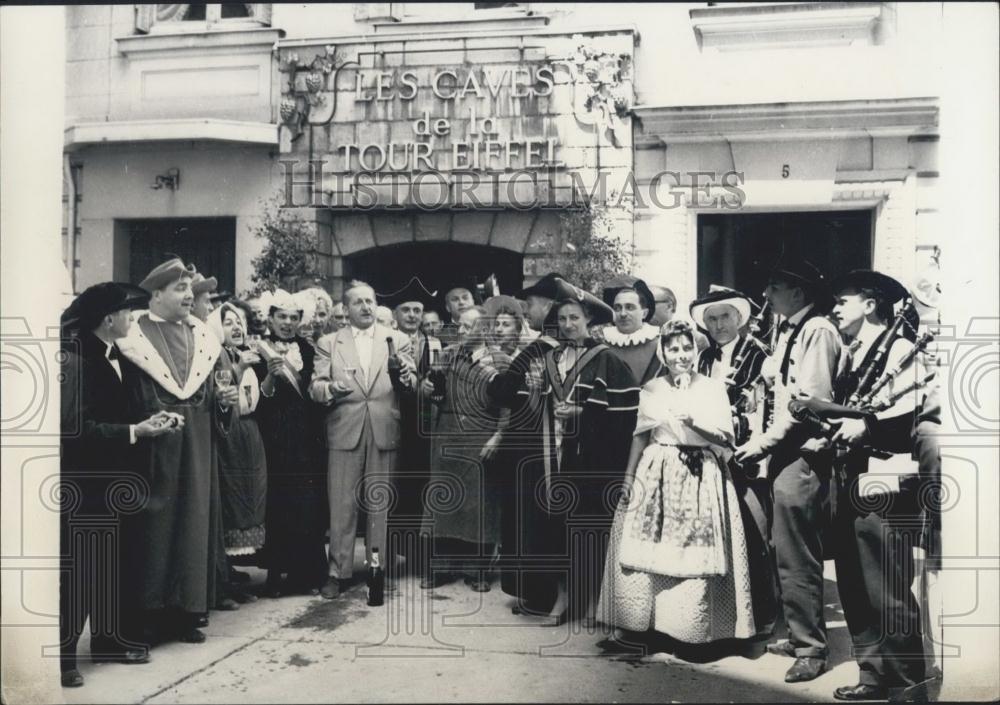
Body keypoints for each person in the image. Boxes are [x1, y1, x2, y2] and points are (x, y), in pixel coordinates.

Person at [598, 320, 755, 646]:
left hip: (700, 473)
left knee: (692, 552)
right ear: (663, 352)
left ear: (695, 351)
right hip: (656, 471)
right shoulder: (653, 389)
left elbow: (726, 440)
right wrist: (628, 477)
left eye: (686, 348)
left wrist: (693, 421)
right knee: (647, 548)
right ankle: (640, 624)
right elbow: (641, 436)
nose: (680, 355)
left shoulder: (712, 388)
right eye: (673, 348)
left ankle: (690, 631)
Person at [117, 258, 238, 645]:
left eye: (190, 289)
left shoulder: (203, 337)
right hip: (156, 449)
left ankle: (185, 613)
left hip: (197, 447)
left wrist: (224, 401)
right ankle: (148, 616)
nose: (190, 296)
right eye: (180, 289)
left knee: (192, 527)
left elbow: (213, 397)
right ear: (156, 295)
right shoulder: (132, 338)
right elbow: (129, 396)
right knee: (155, 529)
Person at [734, 256, 843, 683]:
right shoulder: (790, 329)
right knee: (786, 548)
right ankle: (801, 638)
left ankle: (813, 650)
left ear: (798, 292)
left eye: (775, 287)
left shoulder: (816, 330)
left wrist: (759, 446)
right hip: (785, 452)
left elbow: (805, 403)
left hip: (801, 453)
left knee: (798, 552)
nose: (766, 294)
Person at [823, 270, 927, 701]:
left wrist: (865, 427)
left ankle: (907, 685)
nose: (835, 308)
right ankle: (873, 676)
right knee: (854, 584)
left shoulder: (901, 349)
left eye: (843, 301)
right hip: (851, 481)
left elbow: (912, 413)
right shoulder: (852, 353)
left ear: (870, 305)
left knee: (888, 590)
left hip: (884, 487)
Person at [58, 283, 167, 688]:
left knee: (115, 562)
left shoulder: (113, 353)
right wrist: (134, 431)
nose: (133, 320)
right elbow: (77, 430)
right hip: (87, 482)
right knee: (82, 569)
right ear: (108, 319)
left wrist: (149, 423)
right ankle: (64, 656)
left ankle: (108, 642)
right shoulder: (77, 357)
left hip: (116, 479)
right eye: (128, 314)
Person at [530, 286, 639, 625]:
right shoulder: (550, 360)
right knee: (555, 529)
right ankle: (562, 598)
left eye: (574, 317)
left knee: (588, 529)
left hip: (591, 460)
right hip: (554, 459)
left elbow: (626, 414)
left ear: (589, 319)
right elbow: (534, 410)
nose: (567, 324)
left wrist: (582, 413)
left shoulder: (606, 359)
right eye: (562, 319)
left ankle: (592, 600)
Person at [309, 281, 417, 600]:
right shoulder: (329, 342)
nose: (366, 307)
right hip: (345, 427)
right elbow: (315, 385)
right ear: (345, 309)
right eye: (358, 303)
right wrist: (330, 391)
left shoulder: (397, 339)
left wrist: (406, 377)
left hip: (384, 426)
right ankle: (337, 571)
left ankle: (375, 569)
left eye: (370, 301)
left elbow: (410, 383)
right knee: (342, 503)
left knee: (379, 504)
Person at [690, 286, 778, 640]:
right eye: (711, 319)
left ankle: (766, 614)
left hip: (748, 455)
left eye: (724, 316)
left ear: (739, 319)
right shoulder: (705, 359)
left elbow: (765, 406)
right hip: (712, 454)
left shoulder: (761, 356)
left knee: (756, 532)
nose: (718, 324)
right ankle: (730, 614)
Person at [479, 274, 564, 615]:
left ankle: (540, 594)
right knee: (527, 520)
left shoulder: (544, 346)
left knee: (536, 521)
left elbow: (503, 391)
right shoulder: (539, 345)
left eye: (532, 305)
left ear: (549, 306)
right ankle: (533, 592)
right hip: (527, 442)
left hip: (541, 444)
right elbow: (504, 393)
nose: (528, 311)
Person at [420, 305, 509, 591]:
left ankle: (479, 571)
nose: (462, 331)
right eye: (459, 326)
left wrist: (498, 436)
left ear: (484, 329)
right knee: (444, 503)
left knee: (480, 505)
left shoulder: (500, 360)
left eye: (469, 327)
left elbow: (508, 405)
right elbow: (435, 394)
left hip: (481, 437)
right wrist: (426, 387)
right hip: (447, 436)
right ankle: (441, 569)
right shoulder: (447, 355)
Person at [254, 288, 328, 598]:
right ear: (269, 318)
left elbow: (315, 391)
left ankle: (308, 574)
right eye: (281, 316)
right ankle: (275, 574)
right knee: (277, 503)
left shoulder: (308, 350)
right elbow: (259, 397)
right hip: (273, 436)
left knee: (306, 505)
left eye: (293, 317)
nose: (287, 322)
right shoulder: (256, 350)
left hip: (305, 436)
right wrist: (270, 376)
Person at [207, 302, 268, 605]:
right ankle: (223, 581)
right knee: (230, 501)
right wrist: (240, 368)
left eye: (240, 322)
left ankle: (231, 575)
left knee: (247, 498)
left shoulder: (237, 354)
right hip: (230, 432)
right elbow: (223, 393)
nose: (236, 327)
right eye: (229, 322)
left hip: (248, 432)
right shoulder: (220, 355)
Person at [378, 277, 442, 555]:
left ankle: (423, 552)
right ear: (394, 315)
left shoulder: (435, 344)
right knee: (395, 485)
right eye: (406, 310)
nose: (413, 315)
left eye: (417, 310)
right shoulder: (383, 342)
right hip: (394, 419)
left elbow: (442, 383)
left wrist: (434, 389)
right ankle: (395, 551)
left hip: (426, 424)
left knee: (423, 483)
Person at [601, 276, 663, 386]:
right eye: (617, 308)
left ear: (644, 313)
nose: (623, 314)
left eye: (629, 307)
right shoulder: (602, 347)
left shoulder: (660, 347)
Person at [438, 278, 480, 346]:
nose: (461, 302)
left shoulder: (487, 329)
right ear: (448, 307)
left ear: (473, 302)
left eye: (465, 298)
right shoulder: (442, 338)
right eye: (455, 299)